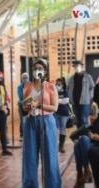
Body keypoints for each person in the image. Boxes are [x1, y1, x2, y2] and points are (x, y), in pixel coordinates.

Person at [22, 58, 61, 188]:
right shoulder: (28, 87)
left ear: (45, 71)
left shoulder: (50, 86)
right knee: (30, 158)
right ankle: (30, 185)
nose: (37, 71)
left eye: (40, 68)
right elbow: (24, 105)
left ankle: (52, 185)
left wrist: (38, 104)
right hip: (30, 122)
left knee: (49, 157)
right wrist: (26, 106)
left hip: (47, 122)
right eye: (35, 68)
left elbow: (55, 108)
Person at [72, 115, 99, 188]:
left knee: (78, 146)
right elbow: (91, 128)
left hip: (98, 144)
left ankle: (80, 174)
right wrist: (90, 133)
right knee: (83, 139)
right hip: (91, 141)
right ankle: (86, 169)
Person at [67, 60, 95, 128]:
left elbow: (92, 88)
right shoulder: (71, 79)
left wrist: (89, 97)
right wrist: (70, 99)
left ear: (82, 67)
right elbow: (68, 89)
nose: (77, 68)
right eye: (76, 66)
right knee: (77, 121)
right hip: (74, 104)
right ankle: (79, 137)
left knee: (84, 120)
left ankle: (85, 137)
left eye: (79, 66)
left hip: (84, 103)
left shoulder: (88, 77)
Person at [54, 77, 69, 153]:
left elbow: (66, 100)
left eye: (59, 84)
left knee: (62, 128)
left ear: (62, 85)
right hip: (55, 112)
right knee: (55, 128)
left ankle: (61, 146)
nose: (57, 85)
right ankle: (54, 145)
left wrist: (57, 101)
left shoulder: (65, 91)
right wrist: (58, 101)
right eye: (56, 84)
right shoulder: (54, 91)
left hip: (64, 113)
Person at [17, 72, 30, 141]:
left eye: (26, 77)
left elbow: (34, 94)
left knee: (30, 119)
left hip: (31, 104)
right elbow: (21, 96)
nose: (25, 79)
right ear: (22, 79)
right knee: (23, 120)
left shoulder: (31, 84)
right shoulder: (19, 87)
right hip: (22, 105)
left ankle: (29, 133)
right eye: (24, 78)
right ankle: (22, 135)